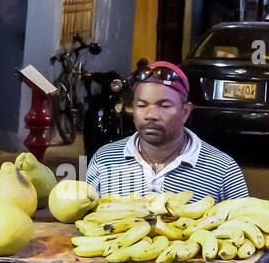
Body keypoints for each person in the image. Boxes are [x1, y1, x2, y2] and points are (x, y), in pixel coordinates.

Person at [85, 60, 249, 200]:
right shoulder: (104, 159)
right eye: (141, 105)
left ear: (185, 112)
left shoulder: (223, 170)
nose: (151, 115)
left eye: (164, 106)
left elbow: (244, 226)